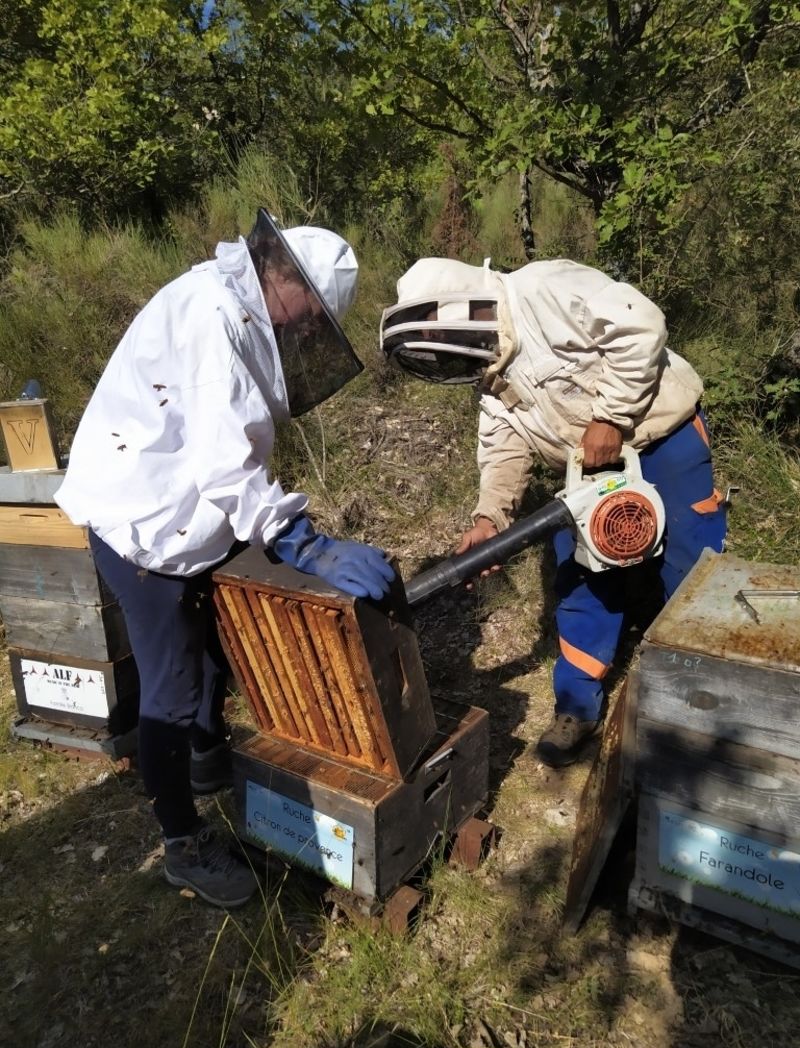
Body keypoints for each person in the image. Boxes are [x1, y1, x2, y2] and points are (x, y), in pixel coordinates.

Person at [55, 210, 395, 907]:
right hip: (144, 521)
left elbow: (222, 458)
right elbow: (223, 467)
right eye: (314, 315)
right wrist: (298, 539)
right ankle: (182, 842)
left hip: (175, 504)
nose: (308, 331)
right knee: (170, 689)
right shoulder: (218, 317)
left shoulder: (232, 305)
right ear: (284, 279)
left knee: (215, 641)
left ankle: (208, 760)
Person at [380, 256, 726, 767]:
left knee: (692, 566)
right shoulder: (492, 374)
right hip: (585, 471)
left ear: (464, 312)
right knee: (581, 578)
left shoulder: (545, 288)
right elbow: (503, 445)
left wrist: (611, 415)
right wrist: (488, 520)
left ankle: (708, 696)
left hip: (662, 438)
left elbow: (640, 324)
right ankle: (576, 708)